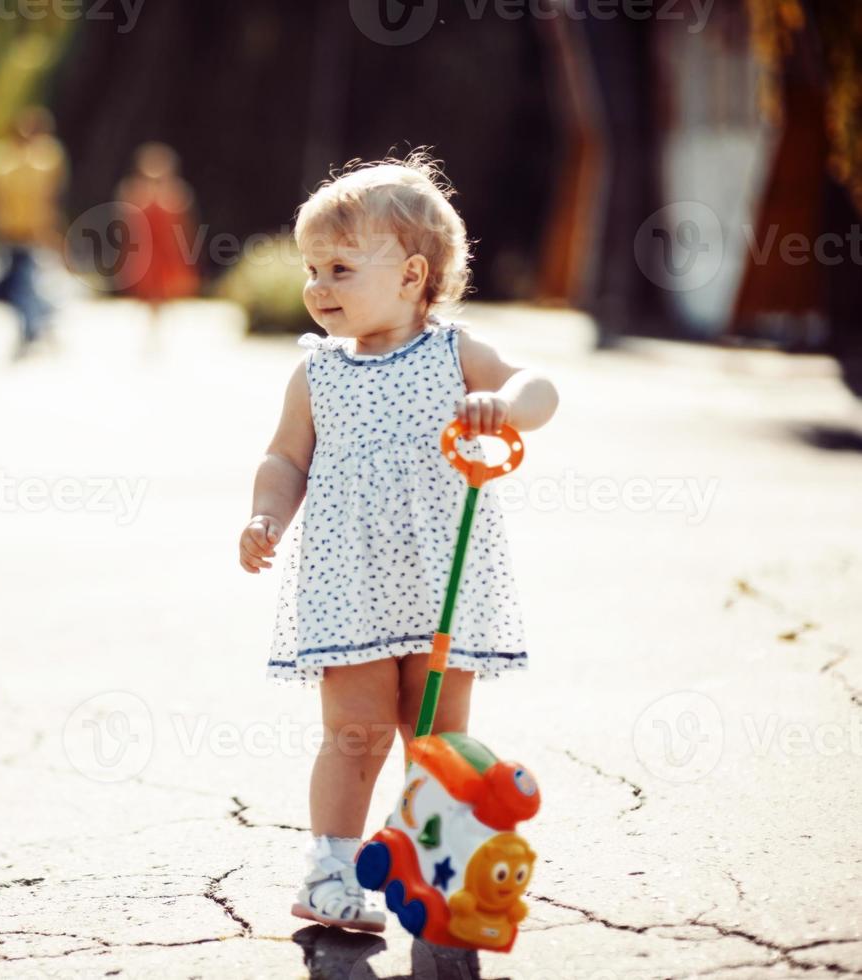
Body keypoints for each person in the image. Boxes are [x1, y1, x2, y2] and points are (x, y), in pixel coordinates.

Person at [237, 153, 559, 931]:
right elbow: (286, 458)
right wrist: (266, 515)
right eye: (311, 268)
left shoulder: (455, 354)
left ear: (413, 276)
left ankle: (435, 860)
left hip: (443, 582)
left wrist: (502, 404)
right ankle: (331, 869)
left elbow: (540, 387)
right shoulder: (317, 373)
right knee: (354, 730)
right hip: (347, 583)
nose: (317, 287)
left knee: (437, 734)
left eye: (340, 268)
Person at [0, 107, 68, 358]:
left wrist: (52, 229)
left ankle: (32, 328)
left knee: (28, 283)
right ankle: (39, 324)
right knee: (12, 286)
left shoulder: (47, 157)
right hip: (8, 232)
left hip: (35, 232)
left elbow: (50, 196)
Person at [115, 142, 200, 347]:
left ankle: (158, 328)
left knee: (166, 293)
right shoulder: (134, 192)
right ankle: (153, 329)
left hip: (166, 254)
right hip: (147, 254)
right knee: (149, 295)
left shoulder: (176, 194)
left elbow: (184, 227)